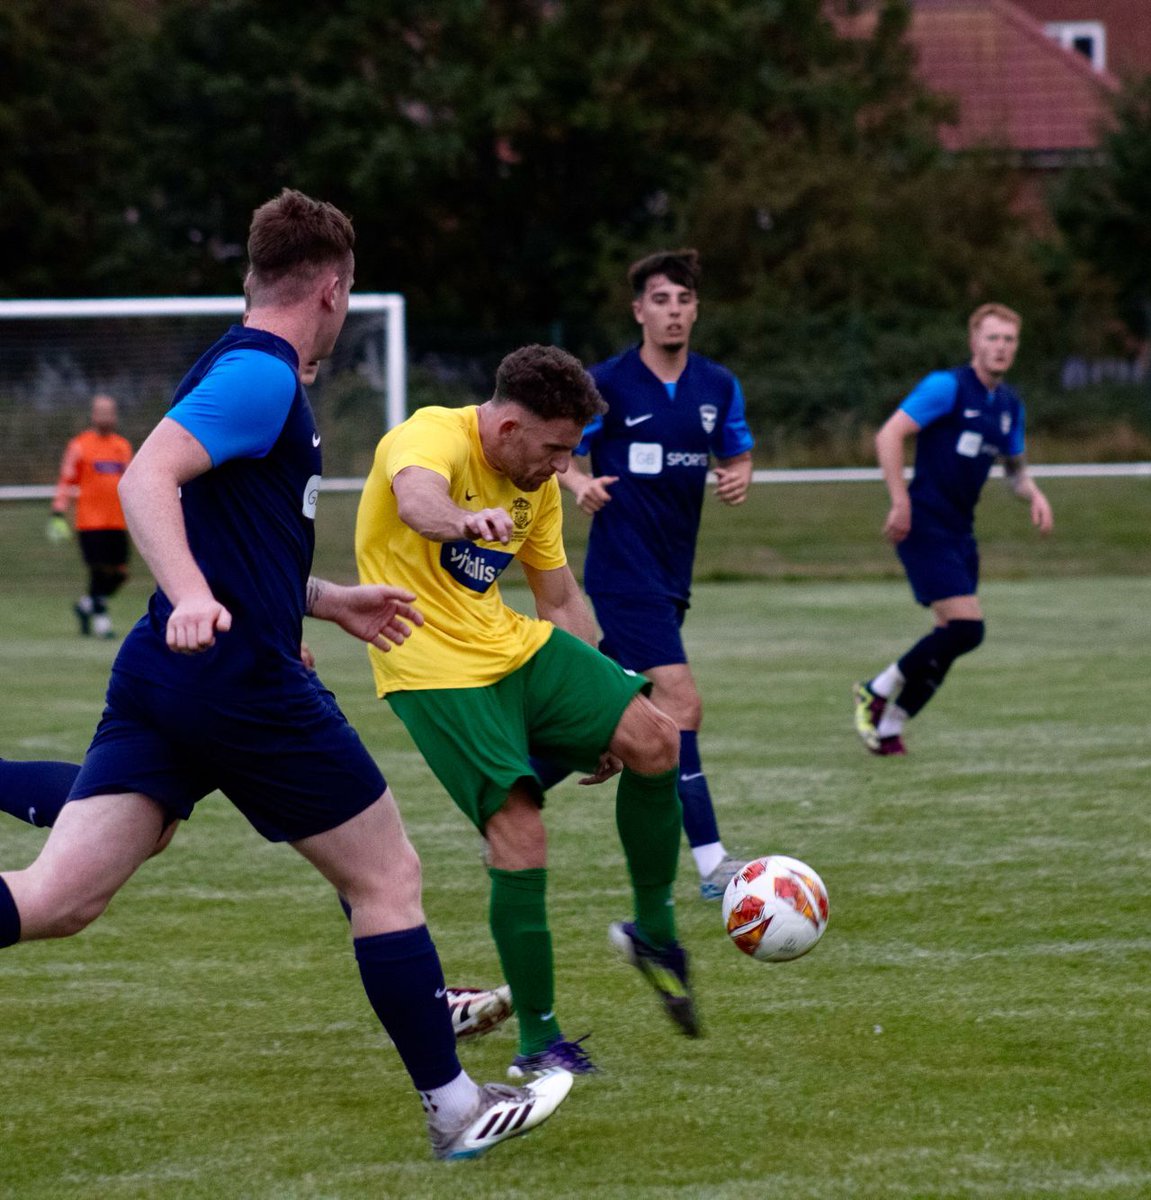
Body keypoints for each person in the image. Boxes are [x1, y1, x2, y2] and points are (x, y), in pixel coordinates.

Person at [0, 189, 569, 1162]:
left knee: (57, 898)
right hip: (236, 679)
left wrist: (328, 599)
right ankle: (457, 1108)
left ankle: (452, 1087)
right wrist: (187, 594)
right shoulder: (263, 377)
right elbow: (147, 478)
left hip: (173, 672)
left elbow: (238, 543)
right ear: (334, 291)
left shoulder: (245, 370)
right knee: (388, 876)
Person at [354, 343, 697, 1080]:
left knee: (655, 737)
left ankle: (655, 932)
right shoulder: (429, 435)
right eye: (555, 449)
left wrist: (603, 700)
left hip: (508, 644)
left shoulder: (534, 481)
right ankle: (539, 1043)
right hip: (428, 664)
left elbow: (560, 597)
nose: (561, 466)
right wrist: (461, 522)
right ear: (508, 427)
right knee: (520, 831)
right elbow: (417, 496)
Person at [0, 749, 513, 1043]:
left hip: (241, 662)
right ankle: (445, 1070)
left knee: (367, 855)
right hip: (225, 673)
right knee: (70, 890)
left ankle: (431, 1016)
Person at [560, 249, 754, 900]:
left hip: (673, 574)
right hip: (622, 570)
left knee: (597, 713)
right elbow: (557, 451)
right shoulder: (607, 383)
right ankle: (711, 864)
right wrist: (578, 482)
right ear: (639, 309)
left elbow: (738, 450)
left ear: (696, 310)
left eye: (684, 301)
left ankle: (508, 790)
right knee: (681, 704)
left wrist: (738, 477)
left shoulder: (717, 385)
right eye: (661, 300)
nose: (674, 312)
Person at [853, 303, 1054, 755]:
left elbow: (1015, 472)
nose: (1000, 347)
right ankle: (877, 690)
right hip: (924, 523)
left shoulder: (1008, 406)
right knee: (967, 629)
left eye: (1008, 340)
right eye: (992, 338)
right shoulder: (946, 387)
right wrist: (899, 500)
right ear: (974, 343)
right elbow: (889, 435)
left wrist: (1034, 495)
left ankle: (890, 727)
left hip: (962, 531)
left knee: (949, 636)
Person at [47, 393, 134, 639]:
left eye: (110, 412)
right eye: (102, 412)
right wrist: (58, 511)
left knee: (120, 574)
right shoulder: (79, 446)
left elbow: (132, 480)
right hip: (90, 522)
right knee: (99, 571)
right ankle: (101, 620)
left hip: (117, 521)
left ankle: (85, 606)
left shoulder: (122, 446)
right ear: (94, 415)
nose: (106, 416)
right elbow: (66, 479)